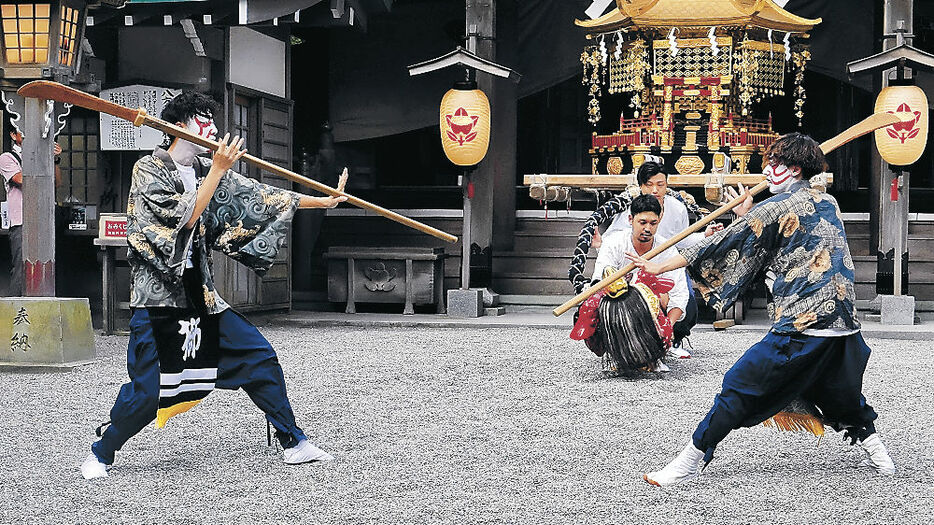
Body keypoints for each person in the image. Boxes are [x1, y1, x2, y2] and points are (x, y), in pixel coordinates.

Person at [81, 92, 348, 480]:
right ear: (179, 125)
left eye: (212, 118)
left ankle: (293, 441)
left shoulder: (208, 167)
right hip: (161, 299)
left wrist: (322, 202)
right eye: (201, 118)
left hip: (203, 296)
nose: (211, 126)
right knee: (150, 389)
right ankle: (103, 452)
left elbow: (260, 198)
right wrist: (218, 172)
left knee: (259, 357)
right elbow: (182, 219)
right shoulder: (148, 169)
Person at [627, 133, 895, 486]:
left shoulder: (775, 208)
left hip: (804, 322)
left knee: (738, 385)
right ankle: (880, 456)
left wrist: (656, 266)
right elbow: (785, 237)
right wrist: (748, 216)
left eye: (775, 164)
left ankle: (691, 460)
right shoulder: (828, 202)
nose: (767, 170)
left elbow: (724, 244)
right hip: (843, 323)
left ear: (795, 169)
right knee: (836, 392)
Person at [595, 162, 722, 356]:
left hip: (663, 265)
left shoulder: (677, 209)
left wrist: (704, 236)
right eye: (649, 184)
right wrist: (601, 245)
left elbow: (683, 239)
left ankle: (671, 340)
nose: (655, 189)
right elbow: (610, 250)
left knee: (683, 299)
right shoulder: (626, 215)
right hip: (628, 272)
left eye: (660, 184)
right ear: (632, 220)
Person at [591, 194, 689, 372]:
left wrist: (667, 326)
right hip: (619, 309)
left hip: (653, 314)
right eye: (642, 222)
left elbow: (680, 294)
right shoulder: (614, 243)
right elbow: (599, 281)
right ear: (630, 219)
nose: (648, 228)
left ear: (659, 221)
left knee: (663, 294)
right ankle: (618, 353)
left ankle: (655, 354)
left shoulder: (667, 250)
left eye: (653, 223)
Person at [0, 125, 61, 296]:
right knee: (21, 268)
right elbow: (22, 180)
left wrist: (54, 159)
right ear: (13, 135)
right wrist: (40, 155)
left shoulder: (42, 155)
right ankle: (14, 313)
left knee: (46, 268)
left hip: (44, 221)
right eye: (22, 131)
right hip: (21, 221)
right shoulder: (7, 157)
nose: (28, 135)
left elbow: (56, 183)